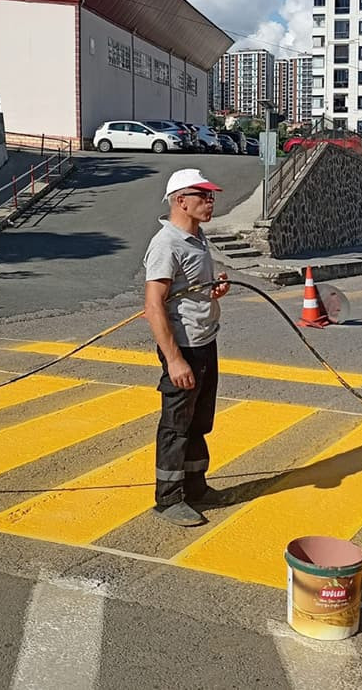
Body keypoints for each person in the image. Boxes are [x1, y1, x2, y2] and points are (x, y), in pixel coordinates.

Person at [143, 168, 230, 527]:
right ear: (181, 201)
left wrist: (213, 291)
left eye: (211, 196)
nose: (210, 202)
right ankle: (168, 499)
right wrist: (175, 359)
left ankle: (195, 486)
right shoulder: (167, 244)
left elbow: (189, 291)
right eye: (203, 196)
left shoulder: (197, 237)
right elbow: (153, 304)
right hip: (185, 348)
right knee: (177, 424)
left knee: (198, 421)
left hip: (205, 340)